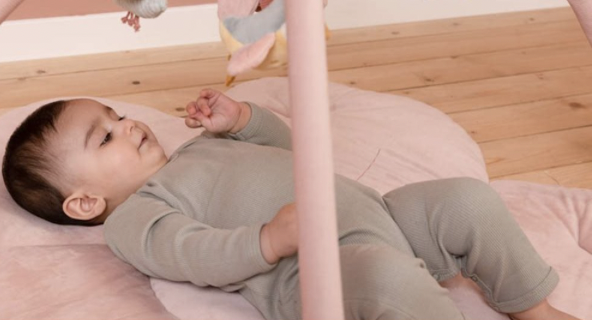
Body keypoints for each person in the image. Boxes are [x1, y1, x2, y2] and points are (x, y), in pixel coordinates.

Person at [2, 88, 580, 320]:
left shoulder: (201, 148)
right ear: (85, 203)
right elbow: (189, 253)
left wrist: (243, 120)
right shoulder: (136, 216)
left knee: (465, 199)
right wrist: (267, 241)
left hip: (380, 214)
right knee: (385, 278)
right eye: (105, 136)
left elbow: (286, 149)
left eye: (119, 115)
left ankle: (533, 308)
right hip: (312, 268)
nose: (128, 125)